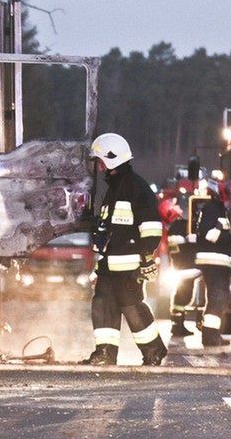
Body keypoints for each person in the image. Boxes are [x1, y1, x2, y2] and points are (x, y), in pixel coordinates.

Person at [84, 133, 167, 366]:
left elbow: (151, 228)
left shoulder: (136, 188)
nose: (99, 168)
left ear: (111, 159)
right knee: (102, 304)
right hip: (109, 265)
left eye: (101, 162)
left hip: (129, 267)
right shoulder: (114, 189)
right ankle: (105, 353)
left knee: (132, 308)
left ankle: (154, 350)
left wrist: (146, 259)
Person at [194, 178, 231, 347]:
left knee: (219, 299)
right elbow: (209, 235)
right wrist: (229, 236)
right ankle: (210, 336)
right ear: (225, 197)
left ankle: (212, 334)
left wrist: (230, 236)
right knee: (218, 298)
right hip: (214, 262)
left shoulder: (219, 210)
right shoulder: (212, 209)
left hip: (219, 263)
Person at [161, 194, 197, 337]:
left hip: (180, 267)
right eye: (174, 206)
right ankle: (178, 326)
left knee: (182, 296)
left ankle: (178, 325)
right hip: (186, 266)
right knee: (184, 296)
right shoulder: (178, 226)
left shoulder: (174, 227)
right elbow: (185, 245)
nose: (178, 207)